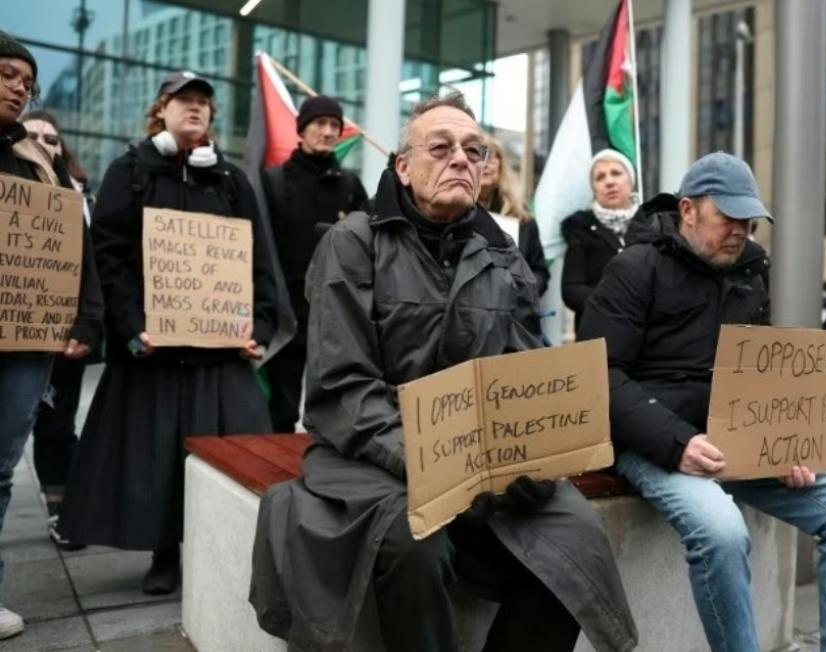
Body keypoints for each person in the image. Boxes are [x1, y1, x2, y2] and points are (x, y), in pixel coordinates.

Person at [249, 93, 637, 652]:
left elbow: (526, 374)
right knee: (414, 543)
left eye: (474, 151)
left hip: (483, 460)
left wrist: (532, 453)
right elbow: (343, 387)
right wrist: (437, 466)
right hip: (371, 456)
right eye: (441, 147)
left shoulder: (503, 254)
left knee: (576, 540)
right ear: (404, 167)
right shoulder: (352, 243)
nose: (461, 158)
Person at [578, 151, 826, 652]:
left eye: (749, 220)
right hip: (651, 439)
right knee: (721, 531)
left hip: (733, 438)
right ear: (688, 210)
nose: (740, 230)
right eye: (729, 218)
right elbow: (598, 375)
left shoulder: (749, 271)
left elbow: (760, 374)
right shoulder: (634, 267)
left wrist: (785, 443)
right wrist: (677, 442)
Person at [59, 71, 278, 596]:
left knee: (232, 455)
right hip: (152, 352)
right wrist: (132, 326)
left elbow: (258, 262)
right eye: (184, 100)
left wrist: (260, 327)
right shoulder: (129, 171)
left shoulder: (230, 182)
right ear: (162, 109)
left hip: (218, 355)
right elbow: (108, 257)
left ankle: (223, 552)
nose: (195, 108)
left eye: (204, 101)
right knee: (156, 460)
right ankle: (165, 554)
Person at [0, 32, 103, 639]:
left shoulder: (41, 162)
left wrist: (86, 319)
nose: (20, 87)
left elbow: (74, 249)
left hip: (24, 343)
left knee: (0, 469)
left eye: (27, 81)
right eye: (7, 74)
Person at [261, 94, 367, 432]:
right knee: (281, 411)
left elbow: (370, 243)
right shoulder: (274, 182)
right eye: (320, 123)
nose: (328, 131)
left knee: (333, 414)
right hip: (287, 317)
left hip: (335, 316)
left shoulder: (350, 186)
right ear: (302, 129)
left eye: (335, 124)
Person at [20, 110, 95, 551]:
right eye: (31, 134)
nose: (42, 142)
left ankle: (60, 506)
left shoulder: (82, 199)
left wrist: (87, 325)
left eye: (50, 138)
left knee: (56, 427)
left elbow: (92, 270)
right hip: (13, 335)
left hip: (64, 338)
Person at [561, 149, 638, 332]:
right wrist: (614, 302)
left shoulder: (652, 225)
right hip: (599, 333)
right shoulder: (581, 229)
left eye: (616, 173)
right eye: (600, 177)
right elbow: (571, 290)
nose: (609, 181)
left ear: (630, 181)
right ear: (594, 189)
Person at [478, 135, 549, 296]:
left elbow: (539, 272)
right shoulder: (452, 213)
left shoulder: (522, 217)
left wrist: (523, 292)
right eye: (478, 156)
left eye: (490, 156)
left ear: (501, 164)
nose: (485, 163)